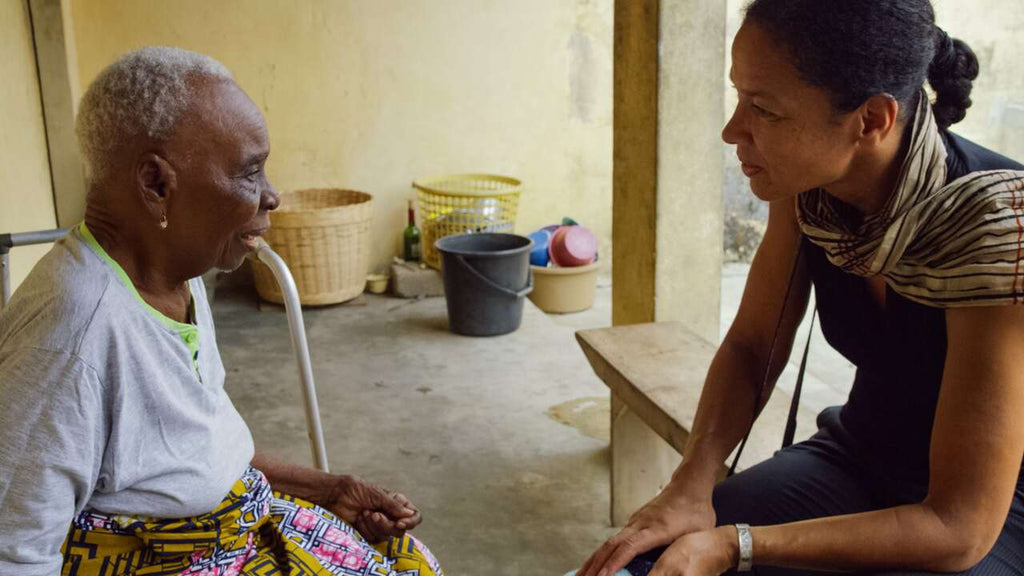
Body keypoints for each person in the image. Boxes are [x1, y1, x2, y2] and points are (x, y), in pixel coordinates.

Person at [576, 1, 1024, 575]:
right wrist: (689, 486)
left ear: (872, 120)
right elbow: (753, 345)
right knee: (647, 561)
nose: (732, 130)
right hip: (857, 459)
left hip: (989, 516)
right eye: (739, 96)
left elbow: (959, 529)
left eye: (763, 109)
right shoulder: (810, 188)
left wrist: (736, 543)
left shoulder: (996, 229)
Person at [0, 47, 443, 576]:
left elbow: (193, 445)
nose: (272, 196)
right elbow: (15, 553)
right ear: (157, 185)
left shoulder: (174, 273)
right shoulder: (71, 340)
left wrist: (328, 489)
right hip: (182, 558)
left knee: (406, 561)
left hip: (234, 524)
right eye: (250, 172)